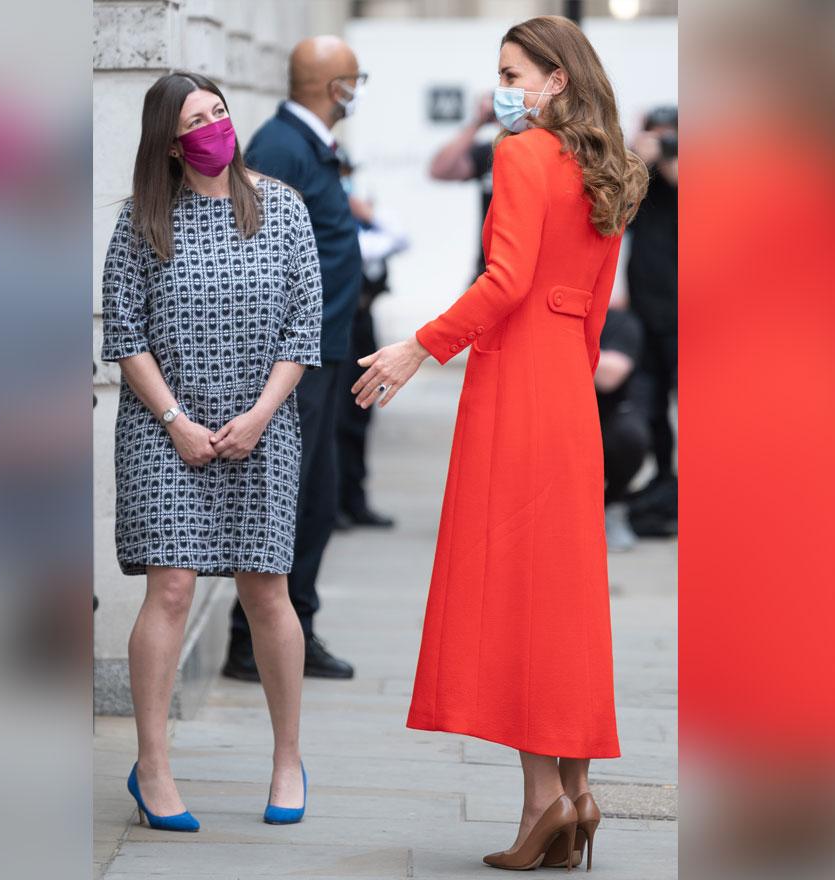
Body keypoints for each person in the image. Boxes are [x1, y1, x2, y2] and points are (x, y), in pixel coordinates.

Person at [351, 16, 649, 871]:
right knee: (564, 597)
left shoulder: (522, 157)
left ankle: (542, 804)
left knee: (516, 594)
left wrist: (420, 345)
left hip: (516, 384)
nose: (503, 86)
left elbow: (506, 279)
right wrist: (569, 383)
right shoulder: (612, 171)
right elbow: (591, 311)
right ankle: (576, 795)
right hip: (566, 392)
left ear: (557, 80)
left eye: (513, 71)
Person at [100, 72, 321, 831]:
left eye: (220, 113)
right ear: (169, 141)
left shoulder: (283, 209)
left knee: (268, 590)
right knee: (170, 589)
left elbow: (303, 329)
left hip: (262, 426)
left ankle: (287, 758)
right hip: (166, 431)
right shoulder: (140, 223)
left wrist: (260, 414)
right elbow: (123, 334)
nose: (214, 128)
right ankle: (153, 769)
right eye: (197, 120)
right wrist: (175, 421)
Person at [221, 35, 366, 683]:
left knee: (318, 495)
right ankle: (253, 643)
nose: (358, 92)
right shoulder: (280, 148)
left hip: (326, 350)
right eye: (355, 81)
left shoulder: (307, 146)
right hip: (298, 358)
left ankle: (294, 629)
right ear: (337, 89)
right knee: (291, 497)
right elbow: (255, 252)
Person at [337, 150, 408, 529]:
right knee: (339, 416)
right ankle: (335, 505)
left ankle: (356, 499)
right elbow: (364, 250)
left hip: (362, 322)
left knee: (361, 411)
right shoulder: (335, 221)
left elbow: (400, 237)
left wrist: (367, 213)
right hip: (340, 324)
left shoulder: (364, 218)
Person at [623, 106, 679, 537]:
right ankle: (664, 480)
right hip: (646, 313)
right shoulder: (642, 175)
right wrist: (640, 152)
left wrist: (666, 148)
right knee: (653, 406)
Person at [593, 307, 650, 551]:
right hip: (550, 416)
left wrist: (558, 345)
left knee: (629, 438)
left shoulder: (619, 322)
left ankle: (612, 506)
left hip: (606, 421)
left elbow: (609, 377)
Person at [428, 94, 500, 281]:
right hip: (486, 269)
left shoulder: (537, 151)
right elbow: (439, 169)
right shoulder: (491, 152)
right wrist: (478, 122)